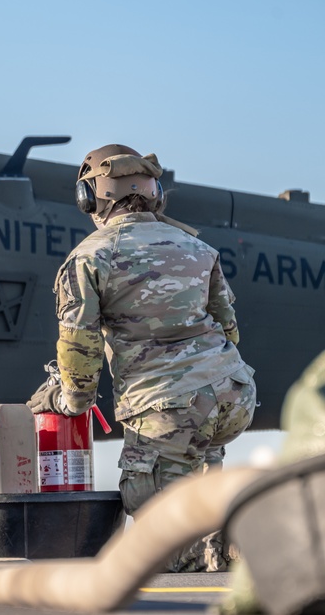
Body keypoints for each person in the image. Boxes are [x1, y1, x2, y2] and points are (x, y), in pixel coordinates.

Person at [27, 144, 257, 572]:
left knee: (160, 536)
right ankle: (230, 539)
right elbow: (229, 329)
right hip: (233, 396)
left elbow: (80, 344)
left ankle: (202, 556)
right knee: (199, 470)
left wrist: (68, 401)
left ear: (89, 198)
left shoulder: (90, 257)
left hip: (167, 409)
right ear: (156, 195)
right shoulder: (198, 249)